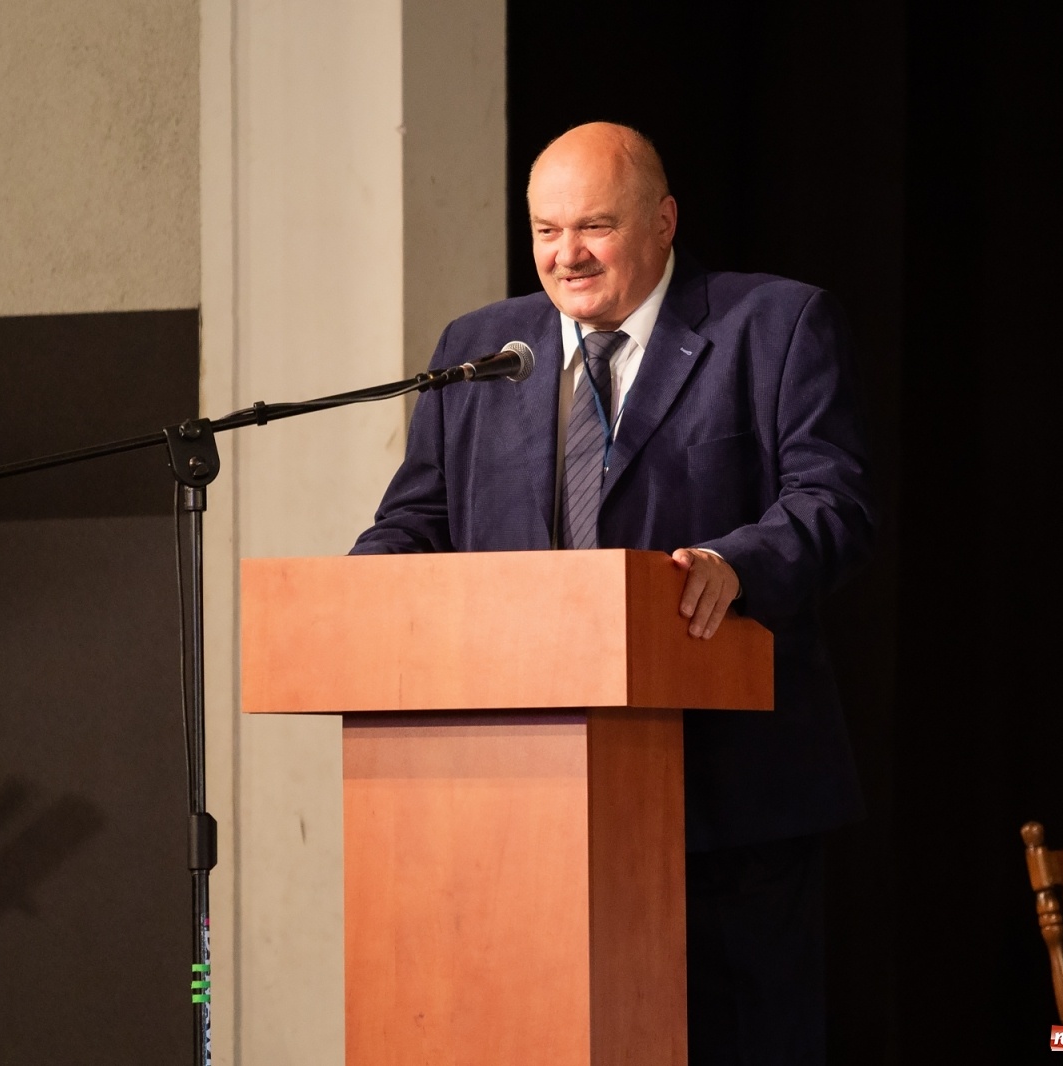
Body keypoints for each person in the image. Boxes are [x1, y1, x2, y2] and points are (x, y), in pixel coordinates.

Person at [350, 121, 876, 1064]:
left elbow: (832, 502)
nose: (568, 255)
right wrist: (355, 593)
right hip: (522, 804)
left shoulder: (772, 326)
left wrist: (735, 563)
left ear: (663, 221)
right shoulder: (482, 348)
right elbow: (419, 519)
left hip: (728, 803)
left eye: (594, 226)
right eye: (546, 231)